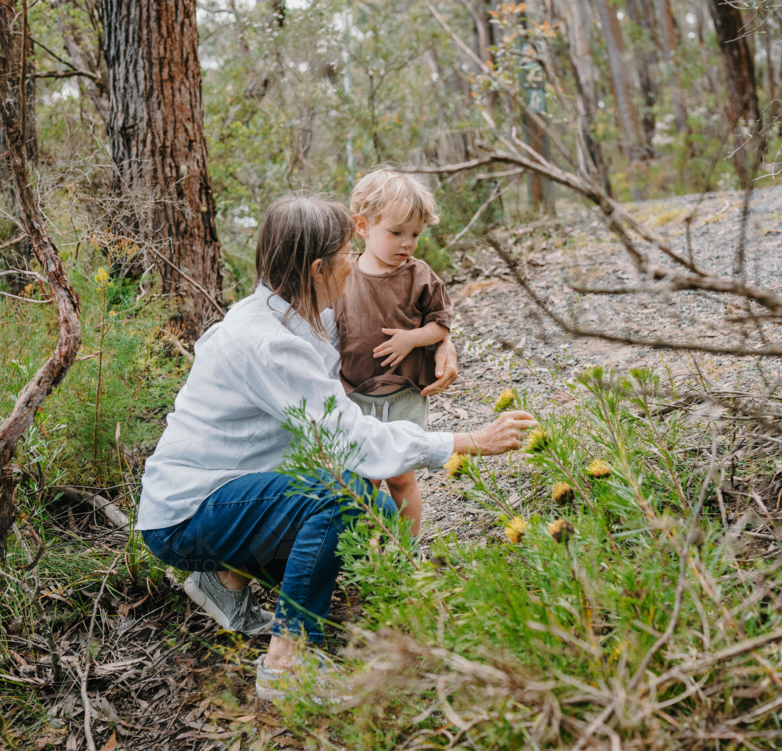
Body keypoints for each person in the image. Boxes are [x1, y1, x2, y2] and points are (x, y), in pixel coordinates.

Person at [137, 194, 535, 699]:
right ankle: (287, 664)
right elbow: (350, 437)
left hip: (230, 498)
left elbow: (370, 331)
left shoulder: (297, 314)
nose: (356, 262)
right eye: (348, 252)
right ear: (320, 267)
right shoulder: (267, 343)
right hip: (185, 518)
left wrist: (441, 342)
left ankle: (223, 582)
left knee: (361, 538)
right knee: (343, 496)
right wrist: (466, 441)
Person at [336, 168, 450, 535]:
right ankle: (367, 559)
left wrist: (412, 339)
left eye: (415, 234)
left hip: (404, 396)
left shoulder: (419, 275)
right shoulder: (344, 276)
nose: (408, 243)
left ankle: (406, 552)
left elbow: (440, 324)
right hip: (356, 396)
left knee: (402, 478)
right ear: (363, 226)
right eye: (396, 232)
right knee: (363, 483)